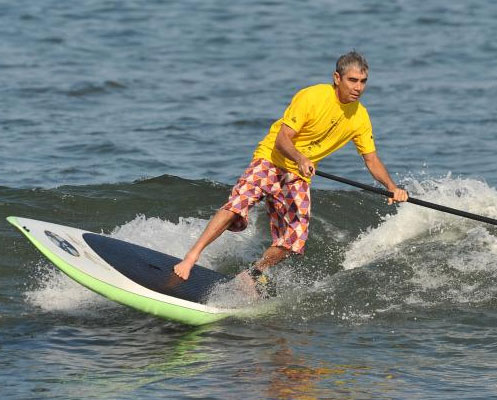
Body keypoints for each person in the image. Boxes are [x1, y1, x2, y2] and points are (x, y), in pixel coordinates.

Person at [173, 51, 408, 296]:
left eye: (363, 82)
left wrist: (391, 186)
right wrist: (301, 158)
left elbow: (370, 158)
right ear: (337, 78)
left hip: (297, 175)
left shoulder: (360, 117)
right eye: (352, 80)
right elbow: (282, 139)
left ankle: (255, 272)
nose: (358, 87)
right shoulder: (312, 97)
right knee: (237, 206)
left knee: (294, 240)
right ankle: (191, 257)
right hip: (271, 160)